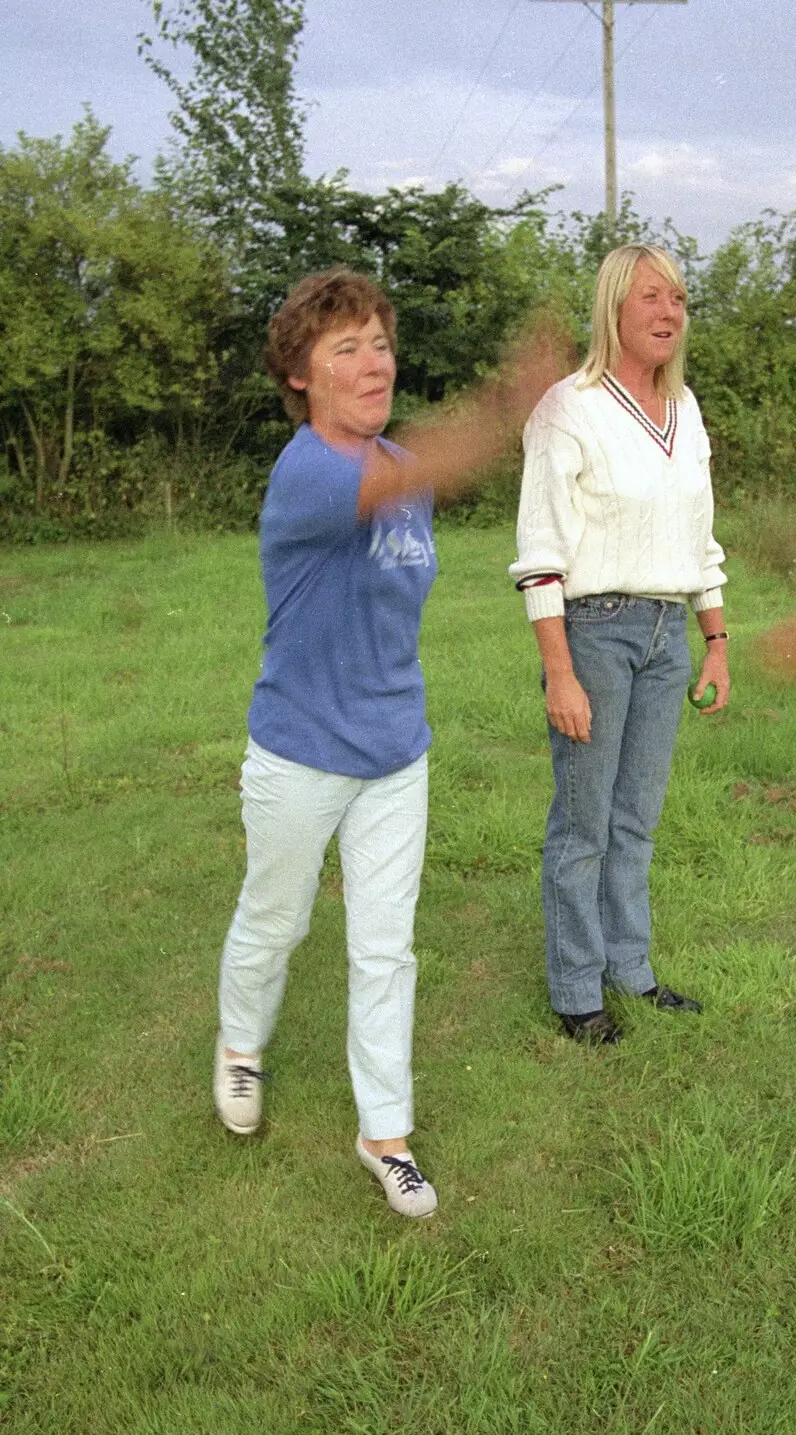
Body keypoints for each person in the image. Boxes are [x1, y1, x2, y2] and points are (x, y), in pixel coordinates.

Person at [215, 266, 560, 1215]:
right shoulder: (309, 474)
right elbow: (428, 474)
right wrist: (505, 407)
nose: (373, 365)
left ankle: (386, 1135)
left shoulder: (398, 467)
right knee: (276, 919)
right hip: (297, 749)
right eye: (345, 350)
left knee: (386, 948)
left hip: (394, 750)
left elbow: (413, 497)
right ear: (301, 377)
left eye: (379, 343)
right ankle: (241, 1047)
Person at [510, 244, 729, 1044]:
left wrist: (715, 639)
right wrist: (559, 671)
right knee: (583, 823)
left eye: (677, 299)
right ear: (613, 309)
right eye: (650, 298)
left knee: (636, 817)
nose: (668, 313)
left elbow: (699, 539)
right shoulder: (566, 409)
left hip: (671, 633)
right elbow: (539, 555)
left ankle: (629, 969)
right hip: (595, 631)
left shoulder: (687, 409)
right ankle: (576, 991)